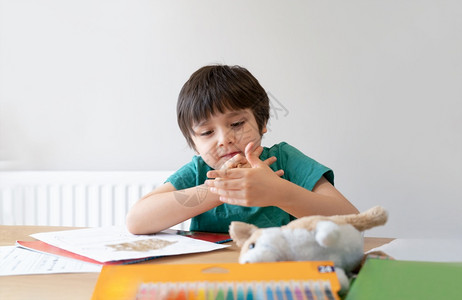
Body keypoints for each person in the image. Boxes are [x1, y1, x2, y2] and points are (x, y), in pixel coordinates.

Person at [126, 65, 358, 234]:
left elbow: (353, 222)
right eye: (207, 133)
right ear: (194, 144)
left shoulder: (284, 160)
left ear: (262, 123)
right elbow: (137, 220)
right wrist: (221, 189)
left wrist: (278, 191)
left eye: (236, 124)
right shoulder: (198, 171)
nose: (224, 139)